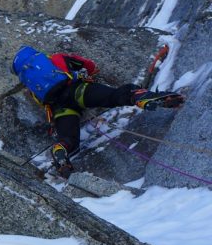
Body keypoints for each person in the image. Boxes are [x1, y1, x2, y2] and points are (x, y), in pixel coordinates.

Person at [11, 45, 184, 177]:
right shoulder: (56, 58)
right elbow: (89, 65)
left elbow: (44, 103)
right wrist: (89, 73)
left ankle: (60, 149)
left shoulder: (31, 86)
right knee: (115, 96)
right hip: (78, 92)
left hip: (61, 109)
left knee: (69, 139)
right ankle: (140, 97)